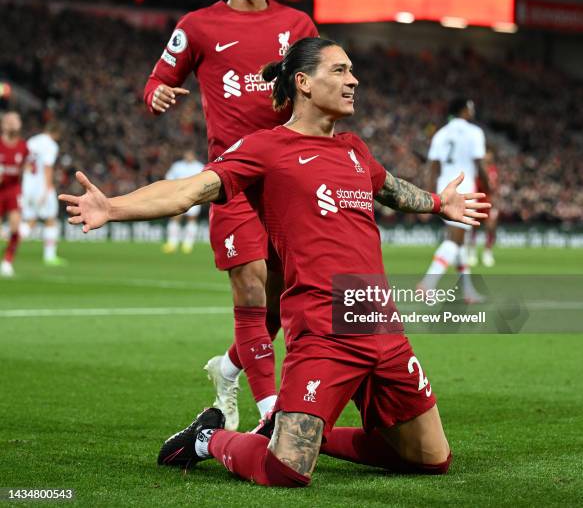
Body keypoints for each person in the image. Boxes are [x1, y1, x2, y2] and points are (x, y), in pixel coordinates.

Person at [61, 38, 489, 486]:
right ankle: (210, 438)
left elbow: (391, 189)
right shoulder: (267, 148)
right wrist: (112, 207)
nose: (354, 80)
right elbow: (190, 190)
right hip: (324, 330)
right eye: (341, 71)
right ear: (303, 82)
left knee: (431, 459)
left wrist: (439, 202)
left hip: (382, 327)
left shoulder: (354, 149)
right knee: (285, 469)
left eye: (352, 71)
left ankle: (309, 432)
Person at [143, 0, 318, 429]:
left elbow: (321, 84)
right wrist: (158, 94)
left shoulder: (298, 27)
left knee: (274, 310)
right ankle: (271, 415)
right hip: (233, 179)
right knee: (249, 285)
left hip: (289, 180)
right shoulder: (197, 26)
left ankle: (229, 368)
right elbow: (157, 79)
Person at [417, 98, 489, 304]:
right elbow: (480, 165)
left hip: (444, 189)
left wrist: (428, 197)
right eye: (470, 106)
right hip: (463, 190)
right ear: (462, 110)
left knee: (459, 241)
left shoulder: (441, 133)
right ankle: (427, 284)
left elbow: (432, 168)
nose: (473, 110)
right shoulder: (474, 132)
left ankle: (467, 291)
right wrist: (490, 189)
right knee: (455, 240)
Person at [21, 121, 65, 266]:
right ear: (56, 133)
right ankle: (49, 256)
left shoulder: (31, 141)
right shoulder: (51, 145)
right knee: (51, 218)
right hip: (41, 187)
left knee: (31, 221)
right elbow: (47, 167)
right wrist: (47, 189)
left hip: (27, 186)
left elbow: (25, 164)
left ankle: (10, 243)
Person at [0, 111, 28, 277]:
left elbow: (25, 169)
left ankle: (7, 261)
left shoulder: (23, 147)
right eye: (11, 120)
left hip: (13, 189)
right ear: (4, 124)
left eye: (17, 120)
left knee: (15, 226)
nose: (15, 123)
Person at [162, 150, 204, 254]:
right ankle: (172, 243)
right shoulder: (177, 166)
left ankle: (188, 244)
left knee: (191, 219)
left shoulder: (200, 166)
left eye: (190, 155)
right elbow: (169, 178)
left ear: (194, 156)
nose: (188, 156)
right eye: (186, 154)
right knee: (175, 218)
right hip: (178, 196)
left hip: (194, 197)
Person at [468, 148, 499, 267]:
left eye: (490, 155)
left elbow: (495, 188)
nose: (488, 157)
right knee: (473, 227)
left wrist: (496, 200)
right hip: (477, 200)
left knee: (491, 227)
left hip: (489, 201)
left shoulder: (494, 170)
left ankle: (487, 252)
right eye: (486, 155)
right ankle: (472, 252)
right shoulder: (476, 170)